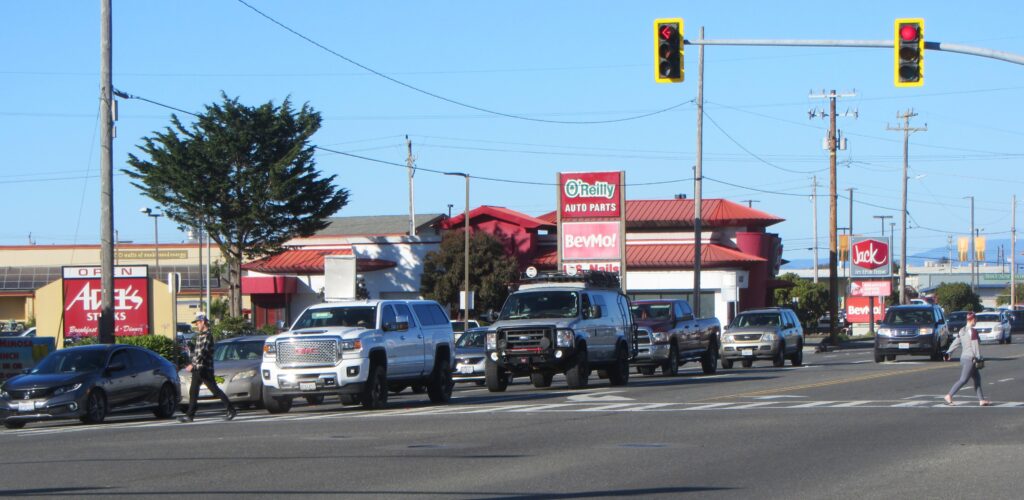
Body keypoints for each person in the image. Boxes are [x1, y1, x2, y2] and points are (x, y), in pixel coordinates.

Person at [178, 313, 237, 422]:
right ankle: (190, 415)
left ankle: (231, 409)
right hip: (198, 368)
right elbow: (197, 353)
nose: (197, 325)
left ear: (203, 322)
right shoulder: (200, 335)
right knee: (193, 391)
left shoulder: (207, 336)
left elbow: (203, 353)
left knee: (214, 390)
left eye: (198, 323)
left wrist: (192, 365)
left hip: (204, 368)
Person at [943, 311, 991, 407]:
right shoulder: (973, 331)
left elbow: (955, 342)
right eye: (975, 319)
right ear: (972, 320)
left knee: (977, 379)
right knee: (963, 379)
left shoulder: (962, 330)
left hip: (964, 358)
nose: (976, 321)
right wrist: (977, 358)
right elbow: (975, 346)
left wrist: (949, 353)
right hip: (971, 358)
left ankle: (981, 400)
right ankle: (949, 395)